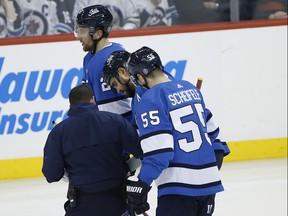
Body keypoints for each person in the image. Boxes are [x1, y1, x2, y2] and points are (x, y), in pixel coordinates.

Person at [122, 46, 225, 216]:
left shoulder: (150, 99)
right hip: (209, 184)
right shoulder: (190, 89)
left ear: (140, 77)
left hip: (178, 187)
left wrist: (143, 183)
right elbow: (214, 133)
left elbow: (160, 152)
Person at [103, 50, 230, 169]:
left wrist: (133, 171)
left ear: (123, 72)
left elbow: (151, 147)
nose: (118, 90)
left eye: (115, 84)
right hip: (205, 161)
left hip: (184, 172)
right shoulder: (165, 81)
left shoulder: (144, 97)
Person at [42, 84, 143, 216]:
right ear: (93, 100)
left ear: (70, 105)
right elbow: (141, 151)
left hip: (82, 205)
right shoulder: (116, 121)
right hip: (117, 202)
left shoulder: (58, 133)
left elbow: (51, 174)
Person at [74, 4, 133, 122]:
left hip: (119, 129)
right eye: (78, 30)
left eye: (82, 31)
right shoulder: (89, 58)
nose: (78, 37)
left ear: (98, 33)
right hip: (117, 126)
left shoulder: (105, 58)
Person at [72, 0, 140, 30]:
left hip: (121, 38)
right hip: (94, 39)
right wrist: (102, 29)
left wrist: (123, 30)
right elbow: (79, 20)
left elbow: (133, 20)